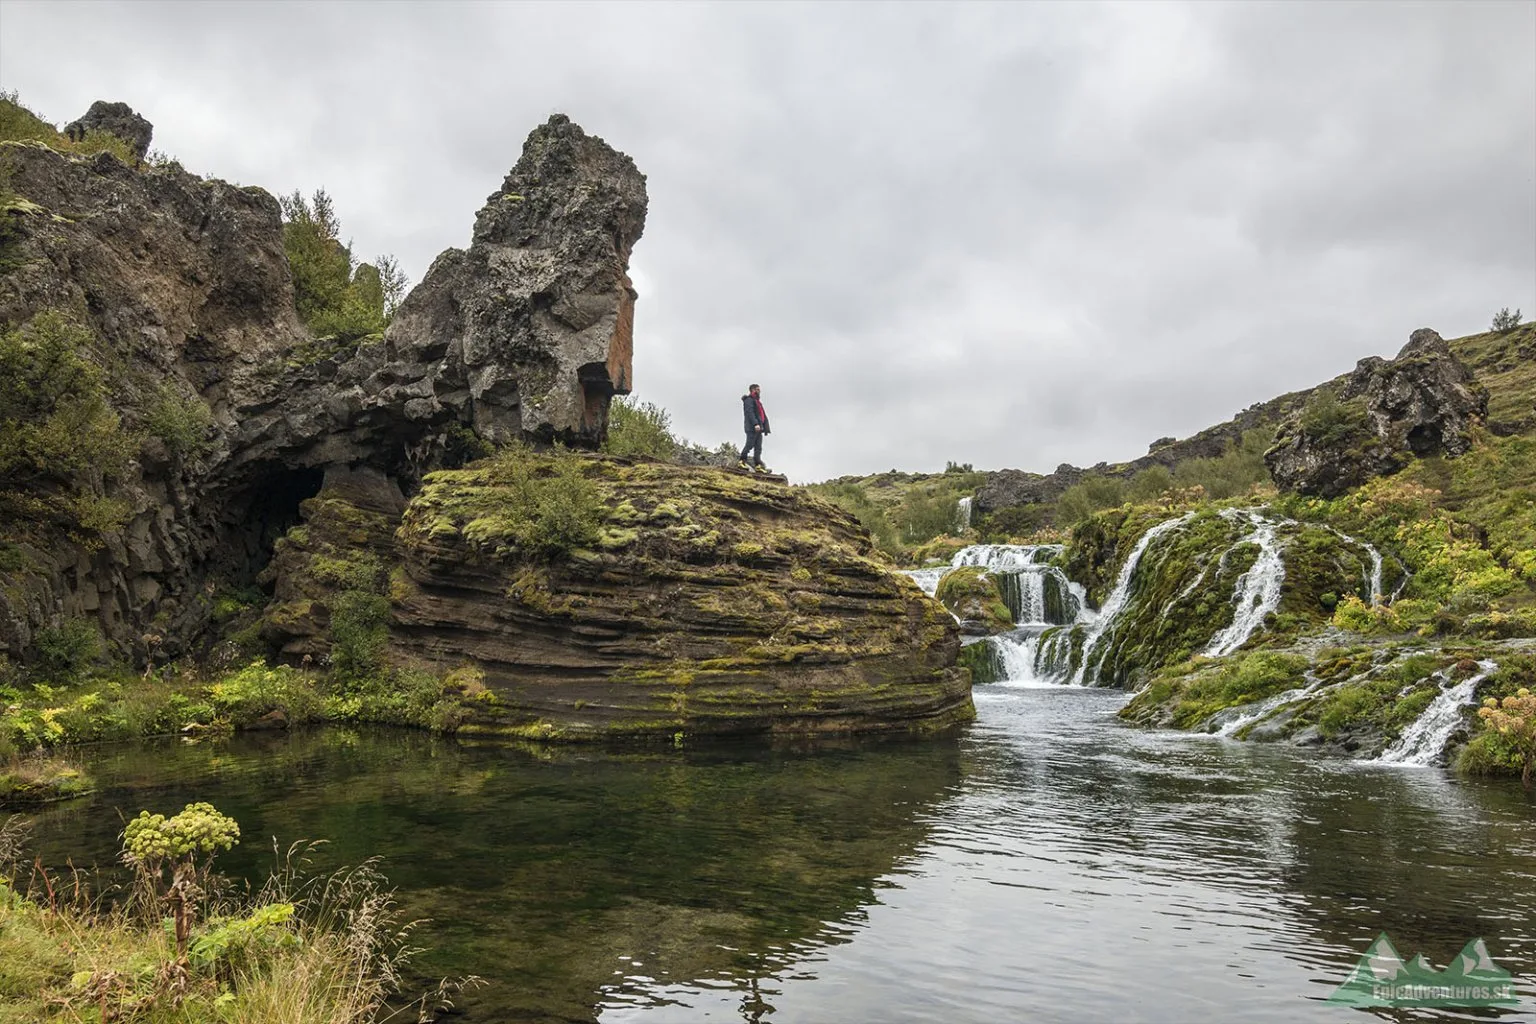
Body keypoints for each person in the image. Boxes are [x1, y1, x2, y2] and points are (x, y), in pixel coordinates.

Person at [738, 383, 771, 472]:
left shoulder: (758, 402)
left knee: (758, 447)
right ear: (752, 390)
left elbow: (763, 415)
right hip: (752, 427)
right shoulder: (749, 400)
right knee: (749, 444)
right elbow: (750, 413)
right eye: (757, 389)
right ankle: (742, 461)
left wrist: (765, 427)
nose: (759, 391)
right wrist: (755, 424)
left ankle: (758, 465)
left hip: (759, 428)